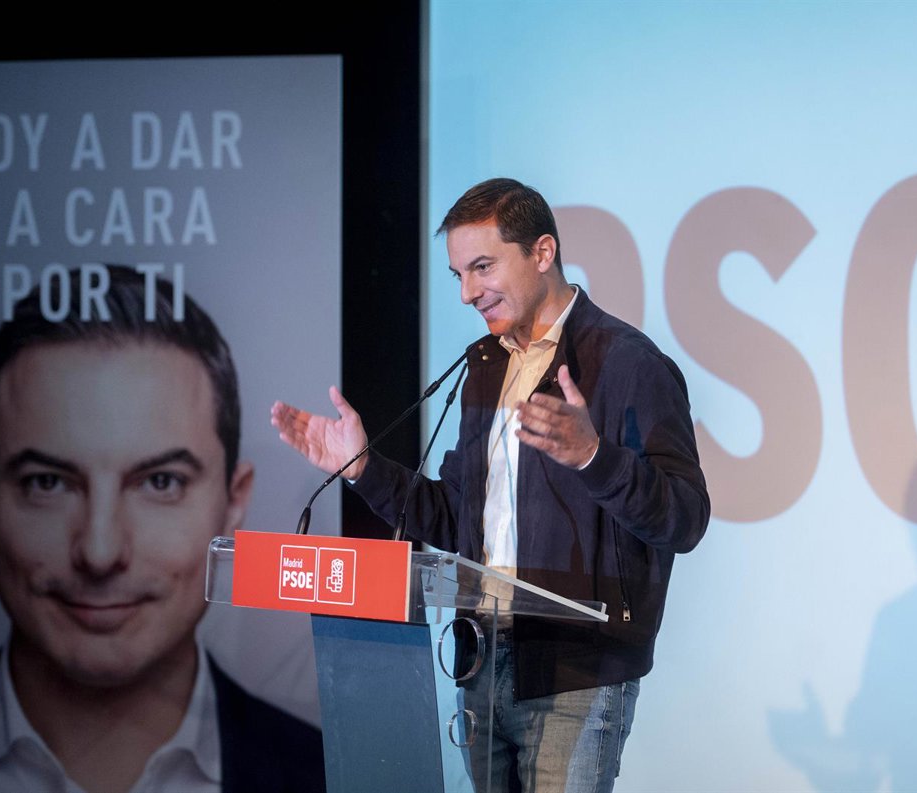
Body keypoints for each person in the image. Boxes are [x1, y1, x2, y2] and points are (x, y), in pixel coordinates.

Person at [271, 178, 710, 792]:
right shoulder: (485, 366)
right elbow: (456, 518)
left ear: (542, 252)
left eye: (482, 267)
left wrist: (594, 456)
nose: (467, 292)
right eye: (458, 274)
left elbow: (685, 518)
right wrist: (364, 468)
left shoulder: (627, 363)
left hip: (575, 671)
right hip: (479, 658)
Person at [0, 266, 325, 793]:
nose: (100, 551)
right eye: (47, 482)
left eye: (159, 481)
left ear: (233, 503)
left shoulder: (324, 779)